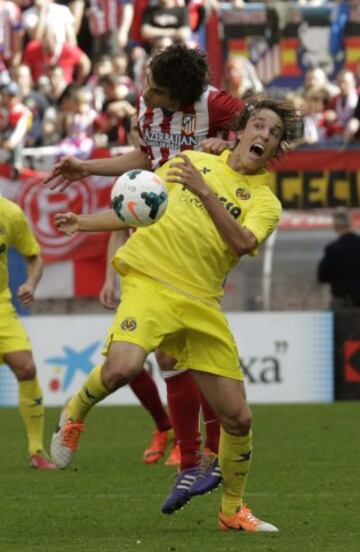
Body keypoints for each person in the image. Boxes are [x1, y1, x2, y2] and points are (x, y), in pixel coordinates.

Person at [51, 95, 302, 530]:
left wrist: (205, 193)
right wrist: (83, 223)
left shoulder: (265, 202)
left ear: (277, 150)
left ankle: (231, 511)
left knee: (238, 418)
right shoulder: (190, 160)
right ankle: (74, 412)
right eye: (258, 125)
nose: (263, 134)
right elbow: (139, 208)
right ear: (239, 131)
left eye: (273, 133)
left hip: (201, 301)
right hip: (150, 280)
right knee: (121, 369)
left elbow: (242, 244)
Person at [45, 44, 246, 507]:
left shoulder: (215, 106)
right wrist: (87, 170)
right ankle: (187, 453)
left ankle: (198, 461)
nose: (143, 90)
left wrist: (228, 143)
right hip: (155, 247)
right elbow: (146, 162)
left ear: (180, 97)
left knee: (187, 361)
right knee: (150, 363)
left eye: (154, 86)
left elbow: (260, 128)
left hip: (195, 249)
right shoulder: (146, 107)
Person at [0, 196, 56, 470]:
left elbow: (34, 258)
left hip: (1, 306)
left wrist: (31, 284)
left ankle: (36, 450)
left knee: (25, 368)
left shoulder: (10, 213)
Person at [318, 207, 360, 309]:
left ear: (335, 226)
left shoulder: (332, 249)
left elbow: (322, 276)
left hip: (341, 302)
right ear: (350, 223)